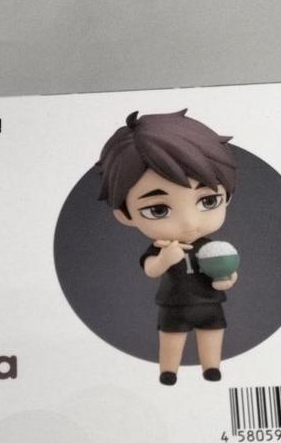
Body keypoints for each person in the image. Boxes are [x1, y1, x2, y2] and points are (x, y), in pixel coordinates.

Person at [97, 109, 239, 384]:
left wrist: (227, 279)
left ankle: (211, 367)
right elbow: (151, 269)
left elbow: (227, 273)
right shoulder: (162, 247)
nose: (189, 223)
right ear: (125, 215)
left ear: (227, 196)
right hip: (174, 304)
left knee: (212, 332)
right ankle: (168, 370)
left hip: (210, 301)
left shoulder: (214, 246)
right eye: (158, 210)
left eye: (208, 201)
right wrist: (165, 259)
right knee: (171, 336)